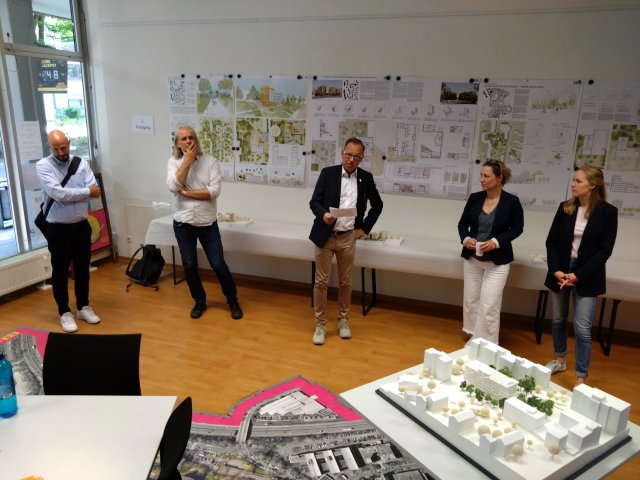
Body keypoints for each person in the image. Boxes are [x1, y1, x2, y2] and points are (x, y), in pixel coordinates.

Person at [544, 166, 617, 385]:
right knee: (558, 319)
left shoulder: (607, 212)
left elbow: (605, 250)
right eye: (573, 180)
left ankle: (581, 377)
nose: (573, 184)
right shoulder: (565, 207)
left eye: (578, 181)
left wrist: (578, 274)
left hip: (587, 274)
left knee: (583, 329)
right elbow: (551, 242)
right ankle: (560, 360)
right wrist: (556, 270)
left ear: (593, 185)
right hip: (560, 270)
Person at [309, 137, 383, 345]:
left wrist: (364, 228)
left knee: (346, 282)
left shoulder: (365, 178)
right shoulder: (328, 173)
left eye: (356, 157)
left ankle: (343, 321)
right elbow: (314, 202)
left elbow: (377, 205)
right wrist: (323, 214)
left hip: (348, 236)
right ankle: (320, 325)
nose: (351, 160)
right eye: (348, 155)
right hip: (325, 235)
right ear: (342, 153)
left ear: (361, 158)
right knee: (321, 282)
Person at [167, 126, 243, 320]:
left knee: (218, 264)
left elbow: (214, 191)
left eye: (191, 137)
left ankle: (232, 300)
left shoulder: (211, 161)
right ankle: (199, 300)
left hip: (207, 224)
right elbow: (172, 186)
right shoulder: (174, 162)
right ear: (178, 143)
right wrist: (187, 162)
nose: (188, 141)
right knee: (190, 266)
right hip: (183, 224)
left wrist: (185, 192)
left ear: (196, 140)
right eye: (184, 139)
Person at [36, 130, 102, 333]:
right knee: (60, 272)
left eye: (63, 147)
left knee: (82, 270)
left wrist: (81, 193)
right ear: (49, 147)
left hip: (81, 226)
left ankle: (83, 307)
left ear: (69, 143)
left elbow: (95, 191)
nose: (60, 152)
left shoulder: (81, 163)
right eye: (55, 149)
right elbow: (58, 193)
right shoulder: (43, 166)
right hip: (58, 228)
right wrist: (85, 192)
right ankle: (64, 312)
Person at [458, 159, 524, 345]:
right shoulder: (475, 198)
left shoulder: (511, 202)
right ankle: (473, 336)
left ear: (499, 178)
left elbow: (517, 228)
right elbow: (462, 224)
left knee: (489, 305)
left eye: (486, 176)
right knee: (471, 300)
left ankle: (486, 344)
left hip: (497, 263)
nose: (481, 179)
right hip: (472, 260)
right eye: (481, 175)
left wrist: (496, 242)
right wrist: (466, 239)